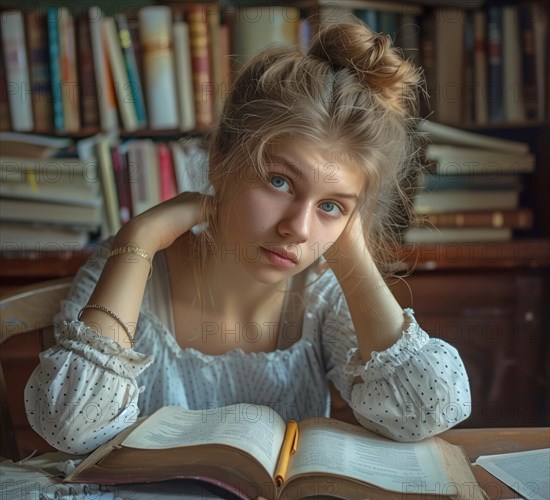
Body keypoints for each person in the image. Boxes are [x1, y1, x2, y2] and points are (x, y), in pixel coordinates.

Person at [25, 20, 471, 455]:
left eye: (331, 206)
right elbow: (70, 427)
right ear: (220, 158)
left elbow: (425, 412)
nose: (297, 229)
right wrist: (137, 240)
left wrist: (351, 250)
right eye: (279, 181)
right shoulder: (130, 271)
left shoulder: (320, 296)